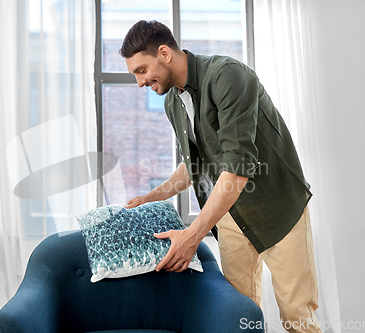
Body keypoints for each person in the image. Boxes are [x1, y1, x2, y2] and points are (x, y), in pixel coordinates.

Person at [120, 20, 322, 333]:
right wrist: (154, 195)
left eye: (142, 70)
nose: (140, 82)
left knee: (297, 317)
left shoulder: (228, 76)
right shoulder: (173, 102)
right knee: (239, 317)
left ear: (164, 53)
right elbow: (196, 163)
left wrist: (192, 235)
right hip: (230, 214)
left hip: (278, 209)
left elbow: (238, 166)